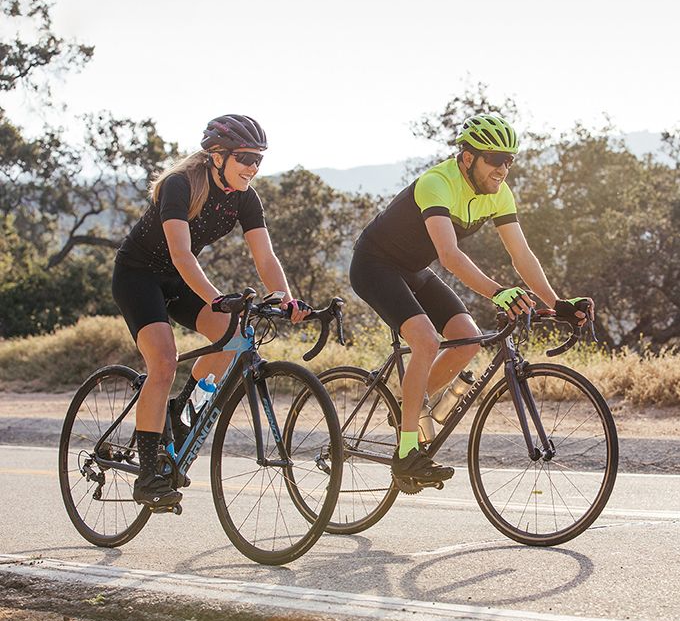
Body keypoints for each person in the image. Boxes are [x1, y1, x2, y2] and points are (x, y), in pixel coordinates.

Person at [349, 113, 593, 483]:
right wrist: (498, 292)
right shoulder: (437, 183)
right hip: (374, 265)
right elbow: (448, 256)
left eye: (509, 160)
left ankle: (407, 411)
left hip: (413, 269)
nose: (503, 169)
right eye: (495, 159)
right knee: (426, 340)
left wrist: (557, 304)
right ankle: (406, 452)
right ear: (468, 157)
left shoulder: (498, 194)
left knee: (468, 338)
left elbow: (521, 256)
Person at [112, 114, 310, 508]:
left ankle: (180, 411)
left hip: (180, 281)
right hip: (139, 277)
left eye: (259, 160)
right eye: (245, 158)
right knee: (164, 363)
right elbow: (181, 253)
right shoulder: (180, 185)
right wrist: (219, 298)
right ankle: (149, 473)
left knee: (234, 338)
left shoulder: (245, 196)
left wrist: (285, 297)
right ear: (217, 155)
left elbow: (265, 256)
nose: (253, 168)